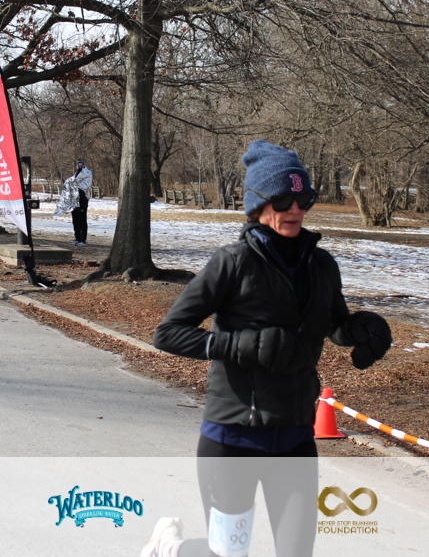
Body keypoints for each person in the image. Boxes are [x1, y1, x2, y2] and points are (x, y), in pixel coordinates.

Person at [142, 140, 392, 557]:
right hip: (233, 438)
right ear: (258, 204)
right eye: (282, 200)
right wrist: (242, 345)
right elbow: (168, 333)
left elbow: (333, 326)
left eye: (303, 199)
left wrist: (360, 331)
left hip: (295, 437)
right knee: (228, 555)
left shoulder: (322, 266)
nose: (295, 209)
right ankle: (171, 548)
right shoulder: (232, 263)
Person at [69, 160, 92, 246]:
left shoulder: (87, 173)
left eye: (81, 165)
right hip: (74, 198)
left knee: (82, 219)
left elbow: (83, 185)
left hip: (82, 198)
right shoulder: (76, 174)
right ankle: (77, 238)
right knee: (75, 219)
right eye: (78, 165)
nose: (80, 166)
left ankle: (82, 240)